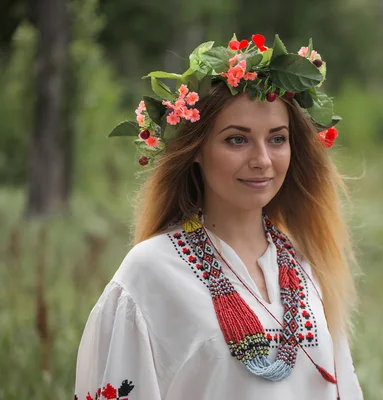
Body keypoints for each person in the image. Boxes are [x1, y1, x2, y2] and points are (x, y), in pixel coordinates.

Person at [73, 33, 363, 400]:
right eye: (236, 140)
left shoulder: (305, 265)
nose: (262, 160)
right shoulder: (150, 274)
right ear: (196, 150)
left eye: (277, 139)